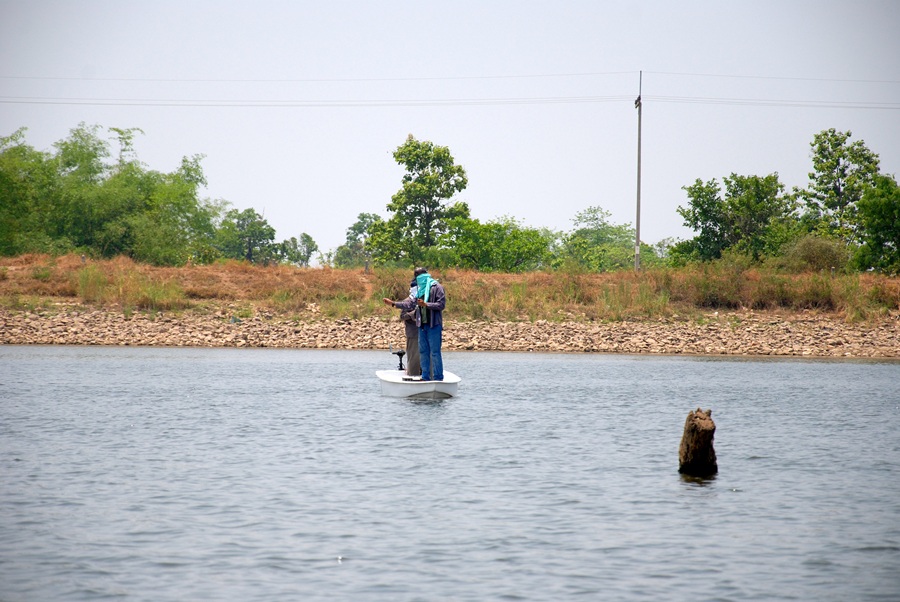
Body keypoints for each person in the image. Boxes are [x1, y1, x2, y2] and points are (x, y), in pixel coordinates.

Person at [382, 267, 446, 381]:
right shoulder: (420, 290)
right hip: (422, 326)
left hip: (433, 325)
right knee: (423, 351)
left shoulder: (437, 287)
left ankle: (438, 378)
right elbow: (409, 304)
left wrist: (426, 305)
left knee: (435, 352)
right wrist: (393, 304)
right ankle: (425, 377)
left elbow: (441, 305)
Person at [399, 279, 421, 377]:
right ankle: (413, 376)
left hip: (424, 333)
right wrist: (413, 313)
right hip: (413, 333)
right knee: (414, 357)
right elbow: (402, 316)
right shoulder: (406, 302)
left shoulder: (422, 300)